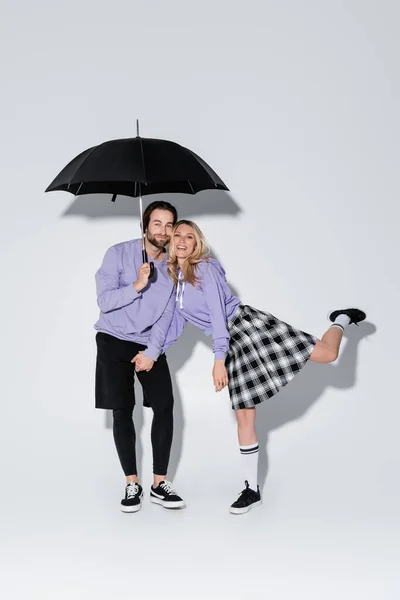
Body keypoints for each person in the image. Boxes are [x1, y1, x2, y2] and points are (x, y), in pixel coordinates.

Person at [136, 219, 366, 515]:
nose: (181, 240)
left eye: (189, 237)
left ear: (196, 243)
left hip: (248, 326)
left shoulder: (205, 268)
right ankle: (251, 489)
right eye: (177, 235)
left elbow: (219, 316)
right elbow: (172, 322)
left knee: (327, 354)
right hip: (231, 344)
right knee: (244, 413)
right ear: (170, 241)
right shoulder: (173, 278)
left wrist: (218, 361)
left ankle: (341, 319)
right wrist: (152, 354)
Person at [94, 201, 185, 513]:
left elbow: (166, 316)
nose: (162, 231)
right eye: (156, 223)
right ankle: (132, 482)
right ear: (145, 226)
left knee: (165, 405)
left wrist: (151, 352)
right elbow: (104, 302)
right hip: (112, 337)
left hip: (147, 342)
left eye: (168, 225)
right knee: (123, 409)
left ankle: (160, 484)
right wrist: (137, 285)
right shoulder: (117, 254)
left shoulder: (175, 267)